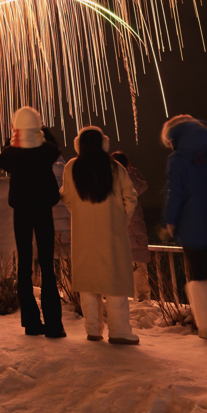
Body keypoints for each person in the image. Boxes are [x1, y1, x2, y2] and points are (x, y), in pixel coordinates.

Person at [61, 126, 139, 344]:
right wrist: (122, 219)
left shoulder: (71, 167)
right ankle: (120, 331)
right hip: (112, 233)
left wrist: (79, 213)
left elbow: (66, 196)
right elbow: (130, 197)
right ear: (103, 143)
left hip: (83, 234)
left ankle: (93, 330)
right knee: (115, 283)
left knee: (88, 284)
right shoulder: (114, 167)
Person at [0, 106, 66, 338]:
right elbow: (52, 145)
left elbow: (2, 158)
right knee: (47, 266)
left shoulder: (10, 153)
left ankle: (31, 322)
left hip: (21, 211)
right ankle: (54, 324)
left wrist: (15, 138)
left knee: (24, 266)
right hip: (43, 209)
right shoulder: (48, 150)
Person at [162, 115, 207, 339]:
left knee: (197, 275)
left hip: (191, 227)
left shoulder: (177, 160)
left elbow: (175, 194)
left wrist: (170, 221)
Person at [111, 151, 151, 301]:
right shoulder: (132, 179)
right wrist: (132, 171)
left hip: (118, 227)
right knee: (140, 266)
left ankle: (123, 298)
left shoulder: (112, 180)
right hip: (137, 228)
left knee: (120, 266)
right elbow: (142, 186)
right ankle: (143, 298)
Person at [43, 128, 71, 260]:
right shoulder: (64, 165)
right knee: (67, 257)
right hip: (65, 216)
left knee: (47, 258)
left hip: (46, 218)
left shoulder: (37, 166)